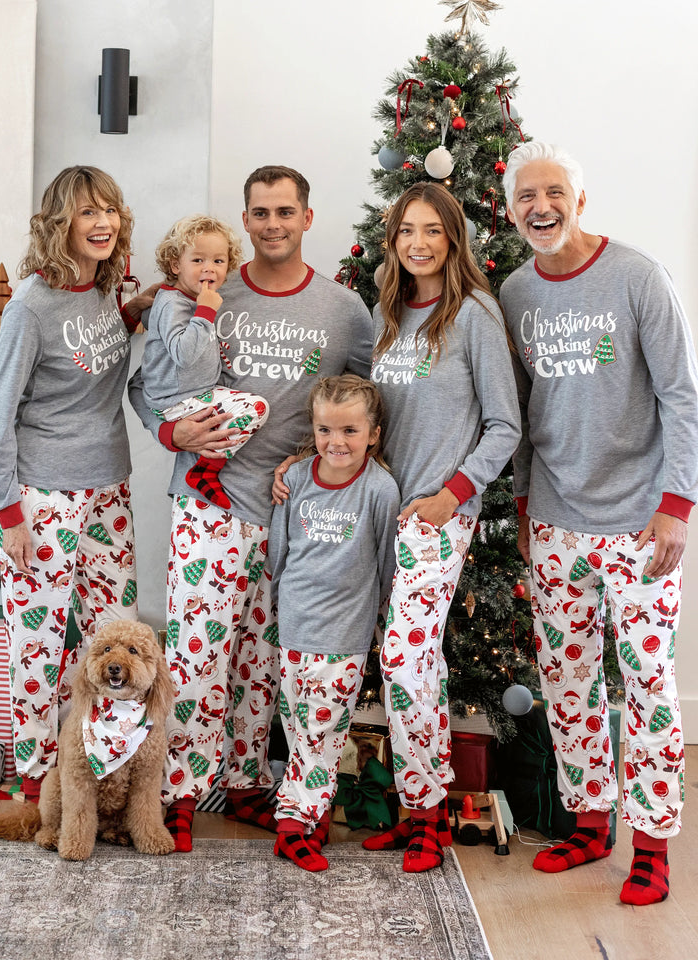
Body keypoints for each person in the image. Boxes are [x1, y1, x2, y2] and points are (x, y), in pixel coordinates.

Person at [128, 165, 374, 851]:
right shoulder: (206, 290)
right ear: (246, 221)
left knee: (261, 659)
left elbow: (367, 399)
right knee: (199, 653)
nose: (273, 225)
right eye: (260, 213)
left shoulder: (344, 311)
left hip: (291, 511)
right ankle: (178, 792)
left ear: (307, 218)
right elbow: (146, 385)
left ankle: (243, 785)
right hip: (208, 503)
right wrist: (168, 432)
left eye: (285, 212)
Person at [500, 141, 698, 905]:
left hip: (642, 522)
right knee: (567, 678)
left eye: (554, 192)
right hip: (554, 520)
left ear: (579, 200)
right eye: (527, 196)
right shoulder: (516, 293)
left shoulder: (638, 276)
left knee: (647, 683)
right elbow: (516, 415)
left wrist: (677, 507)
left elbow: (682, 395)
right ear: (512, 208)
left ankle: (652, 844)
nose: (540, 206)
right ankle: (589, 823)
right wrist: (522, 503)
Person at [0, 165, 156, 802]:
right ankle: (37, 779)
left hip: (109, 487)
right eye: (88, 212)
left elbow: (96, 358)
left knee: (115, 634)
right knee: (39, 644)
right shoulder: (31, 302)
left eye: (110, 209)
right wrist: (6, 511)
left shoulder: (103, 292)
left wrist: (137, 310)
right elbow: (0, 410)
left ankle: (105, 770)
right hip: (44, 494)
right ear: (62, 223)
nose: (104, 222)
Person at [363, 183, 520, 871]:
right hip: (375, 511)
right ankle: (415, 807)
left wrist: (452, 495)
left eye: (432, 230)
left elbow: (505, 425)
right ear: (392, 240)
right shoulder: (387, 312)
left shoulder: (475, 315)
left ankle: (429, 814)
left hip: (436, 514)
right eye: (406, 231)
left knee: (405, 659)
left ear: (454, 239)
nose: (418, 242)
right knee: (408, 663)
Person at [268, 374, 400, 872]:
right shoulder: (298, 478)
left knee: (322, 730)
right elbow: (280, 551)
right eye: (325, 429)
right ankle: (314, 815)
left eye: (348, 430)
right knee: (298, 723)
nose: (335, 442)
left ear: (373, 434)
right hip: (295, 627)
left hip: (344, 634)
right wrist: (282, 600)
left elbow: (387, 561)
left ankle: (291, 825)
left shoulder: (379, 489)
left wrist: (380, 621)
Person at [142, 215, 270, 509]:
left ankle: (204, 469)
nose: (209, 268)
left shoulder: (184, 299)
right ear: (176, 265)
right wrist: (205, 312)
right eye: (198, 260)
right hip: (177, 401)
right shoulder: (174, 302)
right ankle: (205, 470)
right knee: (258, 408)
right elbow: (184, 355)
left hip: (189, 394)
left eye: (218, 261)